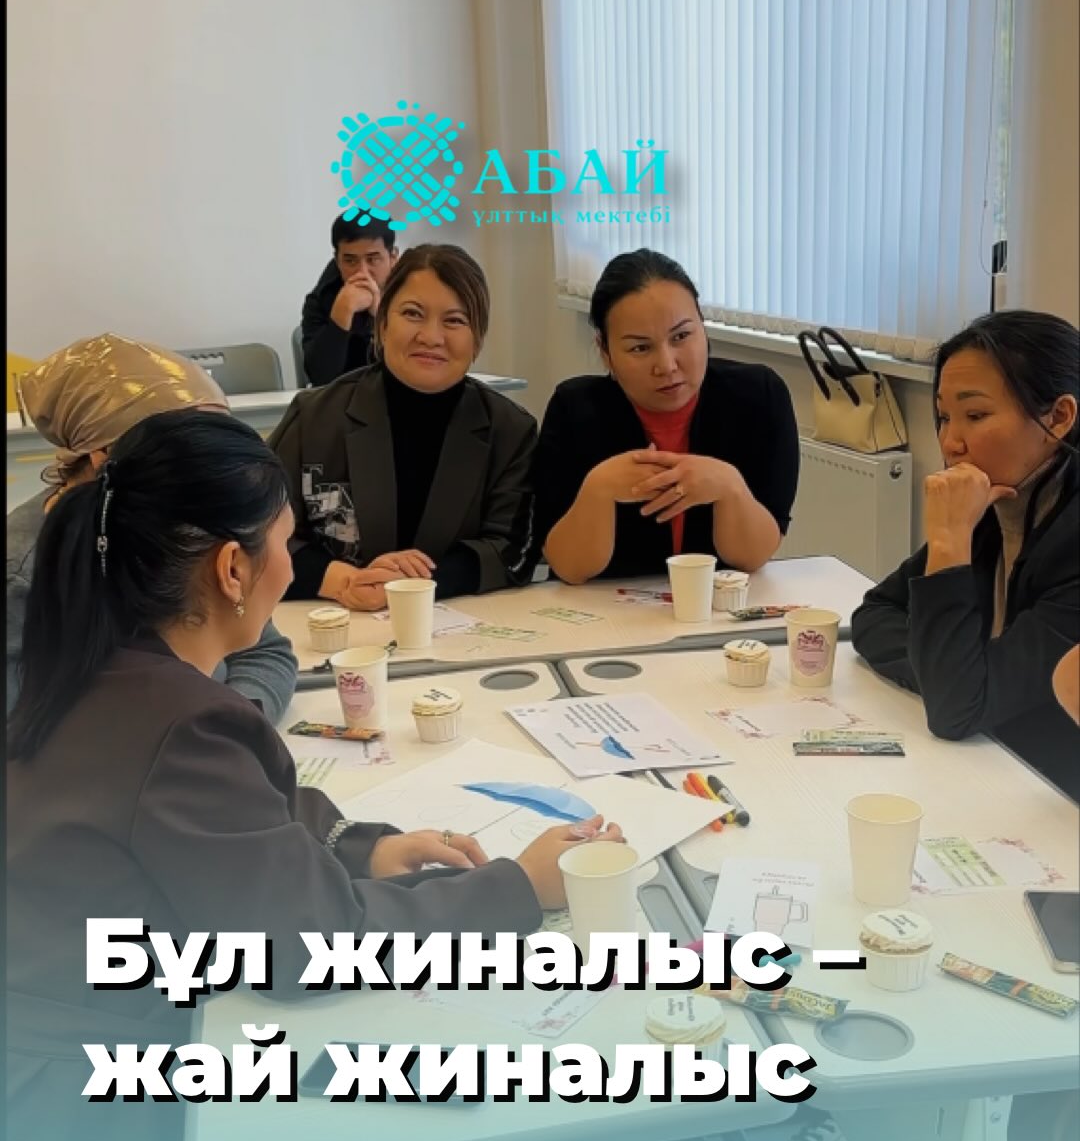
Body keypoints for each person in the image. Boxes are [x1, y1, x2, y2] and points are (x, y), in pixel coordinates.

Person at [7, 407, 619, 1141]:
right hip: (87, 1121)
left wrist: (360, 845)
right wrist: (518, 888)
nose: (290, 569)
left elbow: (205, 815)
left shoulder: (96, 661)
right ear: (232, 570)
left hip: (68, 1035)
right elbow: (311, 949)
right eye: (283, 541)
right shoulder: (183, 722)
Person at [6, 334, 298, 723]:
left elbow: (264, 650)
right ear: (104, 458)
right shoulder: (22, 576)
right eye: (188, 453)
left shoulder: (193, 526)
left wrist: (231, 725)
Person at [851, 310, 1080, 800]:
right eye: (943, 417)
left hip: (1051, 797)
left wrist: (950, 541)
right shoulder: (998, 501)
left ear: (1059, 417)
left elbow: (954, 709)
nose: (951, 443)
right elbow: (874, 613)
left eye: (975, 416)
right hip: (995, 765)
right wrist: (953, 671)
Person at [271, 243, 537, 607]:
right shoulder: (313, 418)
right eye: (413, 314)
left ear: (477, 339)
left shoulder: (510, 430)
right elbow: (255, 538)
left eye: (454, 320)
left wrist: (412, 585)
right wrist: (344, 580)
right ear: (382, 323)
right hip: (332, 618)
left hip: (458, 620)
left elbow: (513, 550)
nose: (431, 337)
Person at [533, 249, 800, 583]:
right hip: (604, 608)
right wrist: (598, 490)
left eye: (681, 336)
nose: (667, 365)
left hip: (717, 605)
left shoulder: (759, 398)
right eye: (640, 348)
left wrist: (730, 487)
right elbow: (570, 568)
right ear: (605, 351)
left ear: (703, 327)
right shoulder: (574, 410)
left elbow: (751, 558)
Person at [300, 214, 398, 386]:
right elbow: (320, 379)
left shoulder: (411, 291)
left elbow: (414, 369)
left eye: (373, 259)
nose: (362, 273)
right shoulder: (322, 298)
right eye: (350, 261)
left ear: (393, 258)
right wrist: (342, 314)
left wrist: (379, 317)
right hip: (343, 396)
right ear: (337, 261)